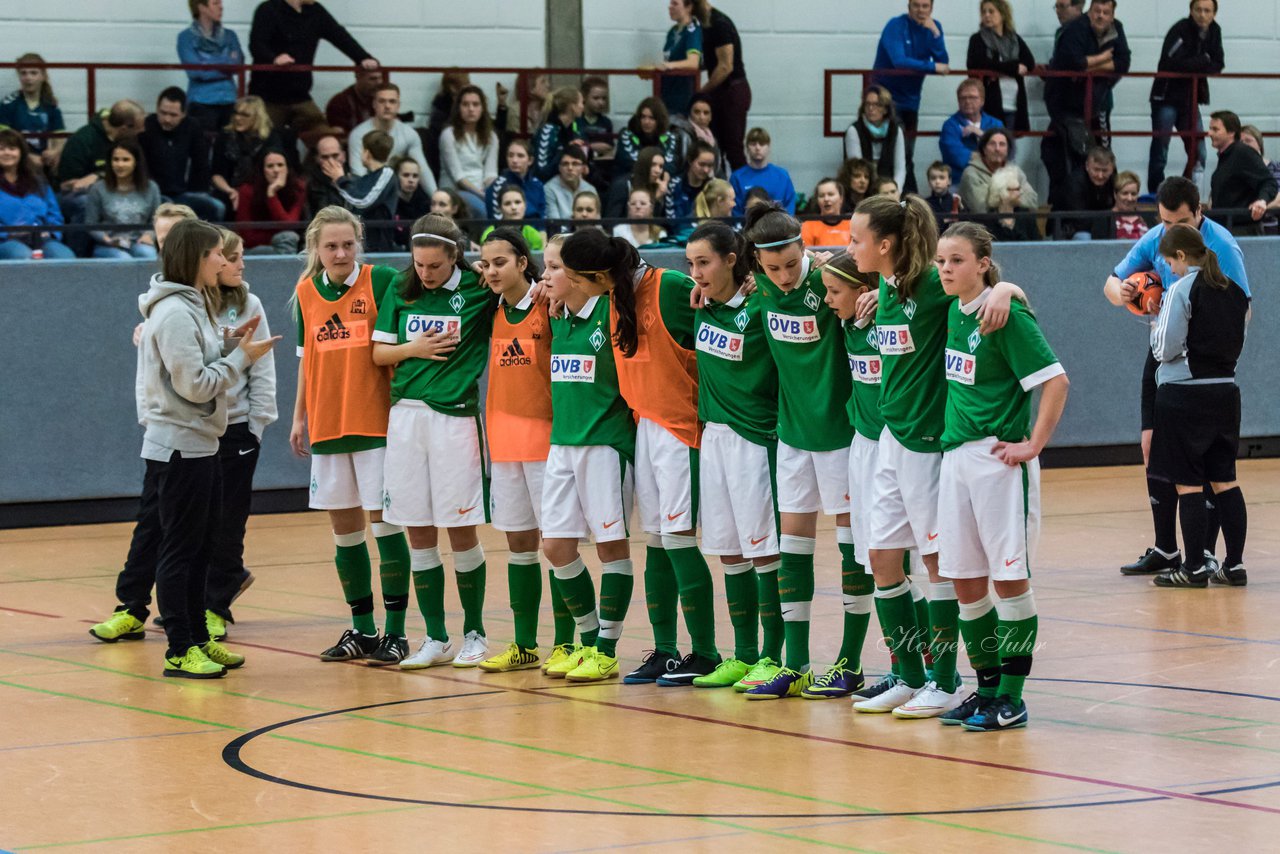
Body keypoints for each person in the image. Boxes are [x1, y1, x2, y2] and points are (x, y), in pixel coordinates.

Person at [846, 195, 1020, 717]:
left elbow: (988, 291)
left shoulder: (934, 285)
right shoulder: (886, 283)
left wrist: (1008, 288)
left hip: (928, 447)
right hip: (890, 440)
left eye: (856, 239)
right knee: (880, 557)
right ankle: (908, 673)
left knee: (938, 565)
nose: (847, 246)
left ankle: (945, 681)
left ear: (885, 244)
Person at [559, 228, 721, 686]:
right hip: (645, 427)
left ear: (597, 273)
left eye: (576, 277)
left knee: (678, 540)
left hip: (681, 428)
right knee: (655, 541)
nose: (571, 284)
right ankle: (665, 651)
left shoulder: (668, 286)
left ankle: (705, 653)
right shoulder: (612, 297)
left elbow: (719, 316)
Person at [934, 221, 1069, 730]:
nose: (946, 269)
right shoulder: (953, 311)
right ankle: (985, 687)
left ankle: (1012, 696)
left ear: (983, 264)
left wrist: (1033, 444)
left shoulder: (1006, 316)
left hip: (998, 462)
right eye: (942, 260)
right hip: (955, 461)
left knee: (1008, 579)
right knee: (966, 582)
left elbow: (1056, 381)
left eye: (958, 260)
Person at [135, 218, 277, 677]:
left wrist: (227, 341)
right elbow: (194, 385)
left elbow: (198, 356)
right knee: (179, 550)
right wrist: (242, 357)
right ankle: (179, 646)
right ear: (197, 258)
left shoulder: (193, 305)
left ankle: (198, 635)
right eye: (217, 253)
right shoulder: (175, 312)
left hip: (201, 445)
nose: (225, 259)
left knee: (201, 548)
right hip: (178, 448)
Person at [737, 204, 860, 700]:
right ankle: (797, 663)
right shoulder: (759, 284)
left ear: (804, 249)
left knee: (856, 548)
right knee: (794, 546)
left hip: (843, 435)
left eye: (791, 264)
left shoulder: (835, 281)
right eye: (772, 269)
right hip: (792, 436)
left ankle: (849, 661)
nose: (784, 277)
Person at [1103, 177, 1248, 579]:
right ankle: (1172, 549)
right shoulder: (1157, 238)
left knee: (1194, 474)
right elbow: (1111, 284)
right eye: (1164, 222)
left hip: (1188, 369)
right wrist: (1129, 294)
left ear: (1199, 213)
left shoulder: (1221, 251)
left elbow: (1239, 313)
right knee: (1159, 451)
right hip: (1205, 375)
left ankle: (1199, 557)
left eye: (1179, 222)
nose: (1168, 232)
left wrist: (1203, 352)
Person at [371, 215, 496, 669]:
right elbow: (379, 352)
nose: (425, 273)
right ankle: (436, 637)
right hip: (405, 417)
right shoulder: (402, 288)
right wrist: (413, 349)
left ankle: (476, 632)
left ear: (455, 257)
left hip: (455, 419)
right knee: (417, 529)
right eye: (419, 264)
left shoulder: (481, 289)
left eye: (435, 266)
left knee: (460, 529)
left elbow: (529, 285)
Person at [290, 206, 412, 664]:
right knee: (345, 533)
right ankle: (362, 629)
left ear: (358, 242)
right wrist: (299, 417)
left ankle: (396, 632)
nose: (340, 253)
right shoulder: (305, 292)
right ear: (315, 250)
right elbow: (306, 361)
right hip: (327, 423)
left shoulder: (380, 280)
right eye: (330, 246)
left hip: (375, 424)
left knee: (386, 528)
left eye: (347, 244)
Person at [684, 222, 784, 690]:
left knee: (765, 551)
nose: (695, 273)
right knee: (729, 550)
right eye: (690, 264)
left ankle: (772, 655)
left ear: (731, 258)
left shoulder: (762, 303)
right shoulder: (703, 307)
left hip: (755, 439)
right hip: (714, 438)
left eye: (703, 262)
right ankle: (743, 656)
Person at [536, 234, 637, 682]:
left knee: (610, 546)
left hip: (606, 444)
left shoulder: (612, 309)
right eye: (545, 267)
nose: (547, 276)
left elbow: (631, 265)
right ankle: (588, 639)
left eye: (555, 267)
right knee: (555, 545)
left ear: (579, 275)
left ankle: (607, 648)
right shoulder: (557, 317)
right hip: (563, 444)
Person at [471, 228, 560, 672]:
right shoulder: (489, 307)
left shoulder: (549, 303)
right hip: (503, 446)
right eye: (485, 263)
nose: (490, 271)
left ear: (524, 263)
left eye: (500, 262)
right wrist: (479, 274)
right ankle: (524, 643)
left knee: (557, 546)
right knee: (519, 546)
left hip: (546, 444)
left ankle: (566, 643)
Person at [1148, 224, 1249, 589]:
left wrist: (1154, 316)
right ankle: (1234, 565)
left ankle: (1192, 569)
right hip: (1226, 393)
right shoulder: (1235, 291)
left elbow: (1165, 347)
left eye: (1169, 262)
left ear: (1179, 256)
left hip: (1185, 396)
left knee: (1187, 484)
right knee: (1225, 480)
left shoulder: (1182, 289)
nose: (1169, 270)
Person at [202, 228, 278, 635]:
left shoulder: (249, 303)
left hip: (237, 429)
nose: (241, 264)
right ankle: (203, 594)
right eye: (233, 257)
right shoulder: (191, 303)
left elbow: (262, 367)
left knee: (230, 519)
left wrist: (258, 426)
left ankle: (216, 606)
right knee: (198, 519)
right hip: (197, 428)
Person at [247, 0, 377, 145]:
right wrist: (274, 58)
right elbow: (257, 44)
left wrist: (362, 57)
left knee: (325, 140)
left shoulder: (315, 11)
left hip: (300, 95)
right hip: (268, 96)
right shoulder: (268, 9)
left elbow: (339, 35)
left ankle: (315, 167)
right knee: (264, 142)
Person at [1042, 0, 1131, 208]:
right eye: (1096, 11)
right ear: (1089, 12)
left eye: (1105, 12)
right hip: (1065, 102)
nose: (1100, 16)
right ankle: (1066, 206)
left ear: (1112, 15)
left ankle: (1106, 203)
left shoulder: (1117, 29)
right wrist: (1102, 59)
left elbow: (1123, 62)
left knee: (1101, 150)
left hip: (1096, 103)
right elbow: (1074, 62)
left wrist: (1090, 65)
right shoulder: (1075, 29)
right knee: (1071, 152)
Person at [872, 0, 950, 194]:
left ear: (931, 8)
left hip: (911, 101)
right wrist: (931, 66)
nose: (920, 10)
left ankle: (906, 201)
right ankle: (901, 197)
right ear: (909, 7)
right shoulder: (896, 25)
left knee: (908, 153)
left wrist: (936, 35)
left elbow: (944, 64)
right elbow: (899, 61)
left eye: (925, 6)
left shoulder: (934, 27)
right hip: (886, 101)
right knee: (894, 153)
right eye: (916, 5)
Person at [1148, 0, 1222, 193]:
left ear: (1214, 13)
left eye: (1207, 11)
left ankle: (1185, 194)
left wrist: (1200, 62)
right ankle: (1156, 193)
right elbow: (1171, 62)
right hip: (1166, 96)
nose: (1202, 15)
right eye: (1198, 10)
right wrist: (1203, 59)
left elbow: (1218, 63)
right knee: (1161, 149)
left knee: (1199, 152)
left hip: (1190, 99)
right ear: (1191, 10)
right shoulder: (1180, 29)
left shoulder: (1215, 31)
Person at [56, 100, 145, 251]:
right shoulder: (82, 140)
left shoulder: (130, 142)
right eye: (137, 129)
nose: (141, 133)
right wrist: (96, 182)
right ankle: (78, 258)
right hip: (77, 195)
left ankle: (133, 243)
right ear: (124, 128)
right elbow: (65, 185)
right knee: (86, 204)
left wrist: (99, 175)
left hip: (120, 189)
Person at [139, 87, 223, 222]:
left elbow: (201, 164)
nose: (167, 119)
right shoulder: (146, 126)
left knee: (218, 207)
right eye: (163, 113)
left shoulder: (192, 126)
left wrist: (197, 192)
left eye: (173, 115)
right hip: (155, 194)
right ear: (156, 109)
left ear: (184, 114)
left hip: (184, 193)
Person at [0, 129, 74, 259]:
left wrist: (51, 233)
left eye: (12, 148)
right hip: (6, 240)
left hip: (41, 238)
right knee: (25, 257)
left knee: (64, 256)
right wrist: (10, 234)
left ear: (21, 152)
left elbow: (54, 214)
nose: (7, 153)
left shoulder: (38, 181)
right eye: (1, 149)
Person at [966, 0, 1036, 132]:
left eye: (991, 11)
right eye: (984, 12)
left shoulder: (1014, 39)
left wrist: (1001, 67)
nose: (986, 15)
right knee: (989, 145)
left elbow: (1029, 62)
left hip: (1014, 102)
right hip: (990, 102)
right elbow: (978, 63)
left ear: (1003, 14)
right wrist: (1013, 68)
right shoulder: (977, 39)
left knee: (1008, 148)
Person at [86, 140, 161, 260]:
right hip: (108, 245)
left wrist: (149, 236)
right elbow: (90, 224)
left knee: (148, 254)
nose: (120, 165)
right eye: (115, 159)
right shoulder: (97, 188)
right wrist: (108, 240)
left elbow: (157, 219)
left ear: (136, 162)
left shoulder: (151, 187)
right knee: (124, 259)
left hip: (138, 241)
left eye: (126, 160)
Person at [698, 2, 751, 171]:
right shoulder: (704, 26)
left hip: (732, 90)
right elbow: (710, 61)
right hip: (720, 91)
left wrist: (701, 92)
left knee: (733, 150)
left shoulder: (719, 24)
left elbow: (725, 66)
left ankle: (746, 194)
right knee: (716, 146)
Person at [1206, 110, 1277, 236]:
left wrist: (1262, 200)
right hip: (1227, 228)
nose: (1209, 133)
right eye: (1210, 128)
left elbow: (1269, 182)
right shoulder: (1226, 157)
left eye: (1215, 129)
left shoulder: (1243, 153)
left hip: (1242, 229)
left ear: (1231, 132)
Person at [178, 0, 244, 133]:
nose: (221, 7)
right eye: (215, 3)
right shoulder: (186, 37)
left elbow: (238, 65)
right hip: (201, 102)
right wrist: (225, 64)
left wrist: (207, 62)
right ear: (201, 7)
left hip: (229, 100)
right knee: (202, 148)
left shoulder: (230, 36)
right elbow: (196, 72)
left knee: (229, 147)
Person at [211, 96, 285, 213]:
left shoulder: (271, 138)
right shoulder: (225, 136)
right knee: (218, 205)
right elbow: (216, 174)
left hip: (261, 192)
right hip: (228, 191)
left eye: (245, 115)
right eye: (236, 113)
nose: (238, 118)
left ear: (257, 118)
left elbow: (279, 168)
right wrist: (230, 191)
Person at [332, 130, 398, 252]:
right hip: (363, 245)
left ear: (367, 153)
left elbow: (363, 201)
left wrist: (341, 181)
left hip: (379, 247)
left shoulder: (386, 174)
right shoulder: (366, 178)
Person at [349, 83, 429, 183]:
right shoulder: (358, 134)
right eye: (382, 101)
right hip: (368, 190)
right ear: (374, 104)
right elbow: (358, 174)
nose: (387, 106)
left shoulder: (409, 134)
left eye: (392, 101)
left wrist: (436, 195)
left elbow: (422, 170)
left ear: (398, 105)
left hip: (398, 191)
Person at [439, 85, 498, 219]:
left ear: (482, 108)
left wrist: (488, 194)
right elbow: (458, 177)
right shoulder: (448, 135)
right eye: (465, 104)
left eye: (475, 104)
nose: (471, 109)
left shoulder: (492, 136)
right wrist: (482, 195)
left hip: (482, 190)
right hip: (455, 191)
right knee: (484, 211)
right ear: (458, 108)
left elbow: (491, 173)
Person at [0, 54, 66, 171]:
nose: (28, 78)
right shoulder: (7, 104)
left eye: (33, 73)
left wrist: (54, 152)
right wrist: (27, 157)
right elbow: (4, 140)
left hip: (43, 162)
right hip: (15, 162)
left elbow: (60, 138)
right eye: (23, 73)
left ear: (43, 76)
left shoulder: (51, 105)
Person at [235, 148, 304, 254]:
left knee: (288, 238)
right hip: (254, 248)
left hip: (287, 243)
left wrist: (272, 195)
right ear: (262, 170)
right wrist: (277, 236)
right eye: (270, 166)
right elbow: (247, 236)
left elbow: (290, 226)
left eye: (280, 165)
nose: (276, 170)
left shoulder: (298, 188)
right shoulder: (247, 190)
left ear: (287, 169)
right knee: (286, 241)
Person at [938, 79, 1004, 185]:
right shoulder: (950, 125)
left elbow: (1005, 155)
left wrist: (982, 135)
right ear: (958, 101)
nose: (967, 101)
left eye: (973, 97)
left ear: (982, 100)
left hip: (993, 181)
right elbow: (958, 158)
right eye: (963, 98)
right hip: (960, 182)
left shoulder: (996, 124)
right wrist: (991, 157)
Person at [959, 127, 1036, 214]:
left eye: (1002, 144)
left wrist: (999, 199)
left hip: (1014, 221)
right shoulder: (971, 173)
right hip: (980, 224)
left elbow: (1032, 200)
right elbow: (981, 208)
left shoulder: (1016, 171)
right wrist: (1014, 197)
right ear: (984, 149)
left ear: (1008, 150)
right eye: (992, 144)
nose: (997, 149)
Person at [844, 87, 905, 194]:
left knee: (905, 205)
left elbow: (900, 168)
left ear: (886, 109)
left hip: (890, 189)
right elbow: (858, 169)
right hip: (863, 191)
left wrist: (895, 192)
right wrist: (876, 193)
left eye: (877, 104)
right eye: (867, 104)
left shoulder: (896, 130)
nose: (871, 108)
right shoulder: (854, 130)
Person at [730, 127, 795, 216]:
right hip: (747, 227)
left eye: (762, 144)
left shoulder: (782, 176)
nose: (757, 148)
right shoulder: (737, 177)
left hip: (778, 226)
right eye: (753, 144)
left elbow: (789, 206)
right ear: (747, 148)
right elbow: (735, 210)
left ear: (768, 147)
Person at [1058, 145, 1117, 239]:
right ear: (1087, 166)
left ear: (1112, 169)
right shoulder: (1074, 183)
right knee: (1085, 237)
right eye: (1096, 170)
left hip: (1102, 226)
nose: (1100, 175)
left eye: (1105, 171)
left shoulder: (1114, 180)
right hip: (1073, 229)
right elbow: (1079, 219)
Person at [659, 0, 704, 118]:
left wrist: (670, 65)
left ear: (688, 7)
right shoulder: (672, 32)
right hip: (666, 94)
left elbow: (693, 62)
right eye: (670, 3)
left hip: (682, 98)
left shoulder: (692, 30)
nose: (670, 7)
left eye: (675, 4)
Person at [615, 97, 678, 180]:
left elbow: (671, 166)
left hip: (659, 182)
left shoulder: (669, 138)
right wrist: (656, 168)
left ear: (660, 120)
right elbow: (628, 163)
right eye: (643, 117)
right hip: (631, 180)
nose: (646, 122)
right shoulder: (626, 135)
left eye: (651, 118)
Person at [533, 87, 586, 183]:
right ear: (572, 106)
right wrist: (566, 150)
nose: (583, 107)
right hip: (545, 186)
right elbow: (541, 171)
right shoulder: (548, 131)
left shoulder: (573, 126)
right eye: (581, 103)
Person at [671, 94, 729, 181]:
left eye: (706, 113)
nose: (701, 117)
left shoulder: (712, 139)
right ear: (690, 114)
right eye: (697, 112)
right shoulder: (681, 135)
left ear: (711, 117)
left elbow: (717, 169)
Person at [486, 139, 546, 221]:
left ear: (530, 160)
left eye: (520, 156)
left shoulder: (537, 185)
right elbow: (496, 221)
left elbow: (543, 216)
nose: (514, 160)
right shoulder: (497, 186)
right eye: (510, 155)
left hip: (534, 232)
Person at [607, 144, 669, 219]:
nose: (658, 171)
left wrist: (658, 199)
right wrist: (654, 199)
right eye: (653, 165)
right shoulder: (623, 185)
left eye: (661, 166)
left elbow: (656, 224)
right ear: (643, 165)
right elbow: (611, 221)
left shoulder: (659, 188)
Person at [1239, 125, 1280, 233]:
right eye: (1240, 142)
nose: (1244, 145)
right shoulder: (1234, 169)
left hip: (1273, 227)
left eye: (1248, 140)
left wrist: (1259, 209)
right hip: (1243, 228)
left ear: (1259, 144)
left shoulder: (1277, 167)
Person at [664, 139, 717, 222]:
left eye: (710, 166)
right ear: (690, 161)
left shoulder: (715, 187)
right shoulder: (674, 185)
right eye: (702, 164)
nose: (706, 170)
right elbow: (672, 221)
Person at [986, 166, 1042, 241]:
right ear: (1003, 192)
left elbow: (1039, 245)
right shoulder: (989, 221)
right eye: (1017, 189)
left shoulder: (1026, 216)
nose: (1021, 192)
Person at [482, 185, 546, 250]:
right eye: (507, 203)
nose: (513, 207)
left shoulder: (533, 234)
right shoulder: (488, 235)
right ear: (499, 208)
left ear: (525, 205)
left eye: (517, 202)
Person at [544, 146, 596, 224]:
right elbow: (555, 225)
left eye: (575, 164)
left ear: (583, 168)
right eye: (565, 164)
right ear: (559, 168)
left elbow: (597, 222)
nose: (570, 168)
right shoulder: (549, 188)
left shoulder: (590, 189)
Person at [325, 67, 383, 136]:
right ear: (358, 78)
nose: (379, 83)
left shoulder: (379, 99)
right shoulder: (340, 102)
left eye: (380, 78)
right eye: (373, 79)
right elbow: (339, 136)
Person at [303, 134, 349, 214]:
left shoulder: (354, 181)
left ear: (343, 156)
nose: (331, 162)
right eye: (325, 157)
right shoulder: (308, 183)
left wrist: (341, 181)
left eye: (335, 156)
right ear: (317, 159)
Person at [391, 157, 432, 248]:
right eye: (406, 175)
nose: (411, 180)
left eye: (415, 176)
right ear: (396, 176)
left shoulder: (425, 203)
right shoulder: (389, 203)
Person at [800, 177, 849, 247]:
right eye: (821, 196)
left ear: (841, 198)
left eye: (831, 194)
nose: (826, 199)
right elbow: (806, 255)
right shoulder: (807, 226)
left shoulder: (852, 225)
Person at [578, 76, 615, 162]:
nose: (601, 102)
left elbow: (609, 147)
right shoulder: (576, 121)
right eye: (596, 98)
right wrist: (591, 146)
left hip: (602, 163)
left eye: (604, 98)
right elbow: (576, 146)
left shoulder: (606, 122)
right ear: (584, 97)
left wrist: (587, 145)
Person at [1113, 169, 1152, 240]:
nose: (1129, 198)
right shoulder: (1105, 219)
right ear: (1115, 194)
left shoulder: (1148, 218)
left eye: (1133, 194)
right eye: (1125, 193)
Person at [924, 161, 962, 232]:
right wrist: (945, 220)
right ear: (929, 182)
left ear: (949, 181)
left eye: (942, 178)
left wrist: (961, 207)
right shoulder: (925, 203)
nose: (937, 181)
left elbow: (966, 223)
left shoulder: (955, 201)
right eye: (933, 178)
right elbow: (926, 226)